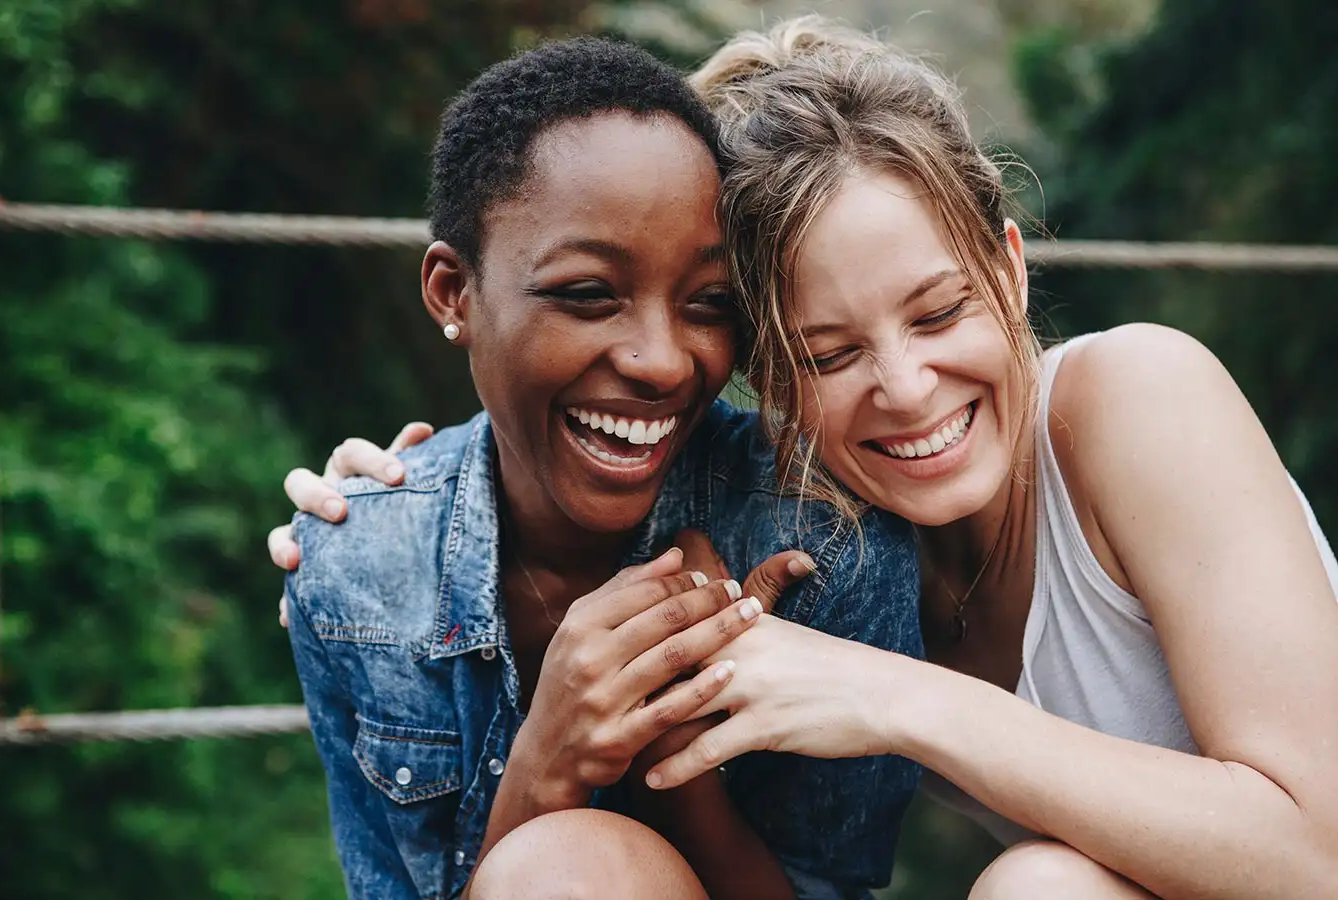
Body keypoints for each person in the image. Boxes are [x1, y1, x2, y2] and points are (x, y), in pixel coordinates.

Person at [282, 17, 1338, 900]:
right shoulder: (833, 537)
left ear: (1010, 271)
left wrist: (905, 699)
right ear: (767, 381)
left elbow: (1318, 851)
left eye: (940, 312)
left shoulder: (1136, 397)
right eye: (829, 354)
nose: (909, 388)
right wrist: (403, 508)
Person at [276, 35, 922, 900]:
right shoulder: (356, 573)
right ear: (452, 293)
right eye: (587, 294)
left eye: (709, 304)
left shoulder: (821, 540)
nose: (661, 361)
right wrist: (547, 764)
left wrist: (678, 754)